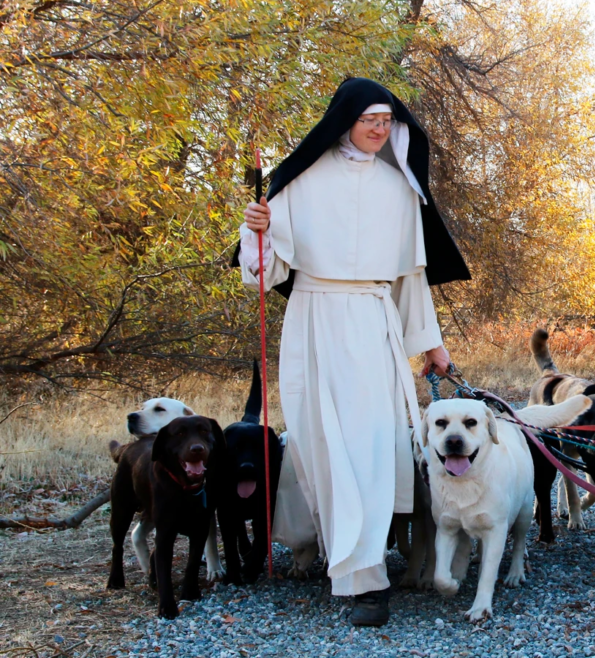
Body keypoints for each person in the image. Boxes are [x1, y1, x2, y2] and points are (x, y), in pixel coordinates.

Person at [234, 77, 469, 626]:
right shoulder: (299, 181)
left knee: (368, 448)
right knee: (319, 446)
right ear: (345, 120)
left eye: (388, 121)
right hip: (315, 321)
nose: (380, 129)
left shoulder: (399, 188)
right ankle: (334, 553)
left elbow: (412, 278)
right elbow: (267, 274)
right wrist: (256, 233)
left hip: (374, 323)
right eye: (370, 119)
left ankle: (367, 579)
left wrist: (432, 346)